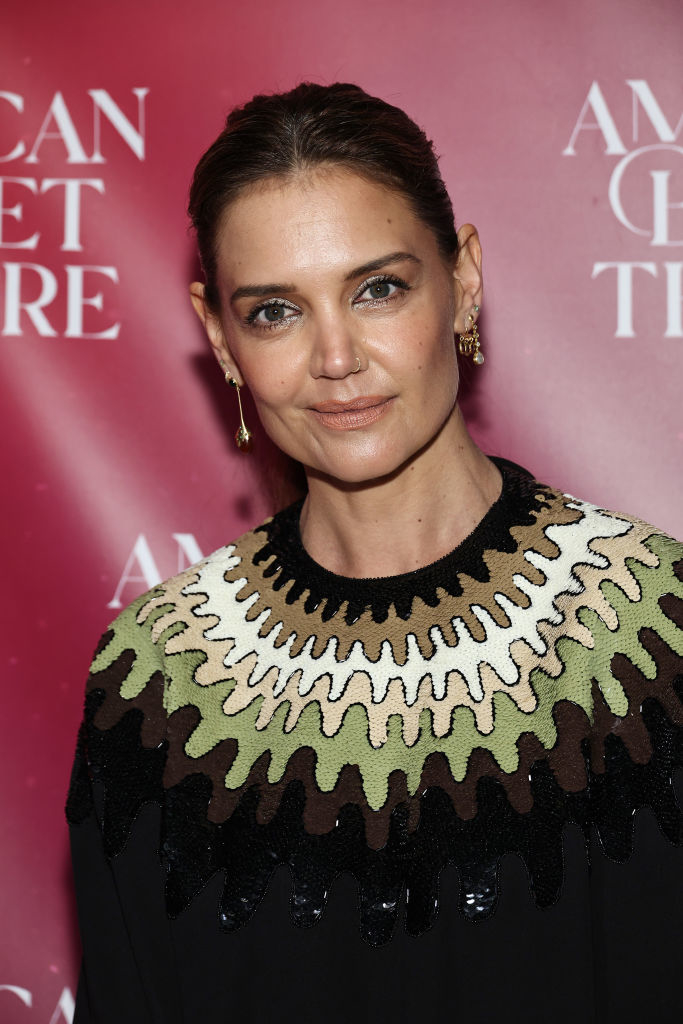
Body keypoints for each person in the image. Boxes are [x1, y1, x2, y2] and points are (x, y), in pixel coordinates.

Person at [66, 82, 683, 1023]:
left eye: (378, 289)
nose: (336, 356)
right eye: (275, 310)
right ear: (219, 337)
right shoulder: (155, 690)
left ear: (463, 279)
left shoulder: (655, 637)